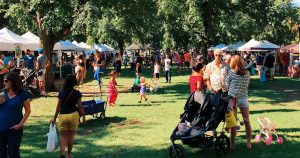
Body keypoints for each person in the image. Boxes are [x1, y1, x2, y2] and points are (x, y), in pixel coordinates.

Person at [50, 75, 86, 158]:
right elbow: (80, 106)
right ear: (74, 83)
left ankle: (62, 153)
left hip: (63, 115)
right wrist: (83, 116)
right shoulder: (77, 93)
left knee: (63, 136)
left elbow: (58, 106)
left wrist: (54, 117)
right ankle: (69, 155)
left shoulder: (61, 92)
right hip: (74, 115)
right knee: (71, 136)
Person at [0, 72, 31, 158]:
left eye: (6, 81)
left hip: (14, 129)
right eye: (3, 81)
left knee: (13, 153)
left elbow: (28, 111)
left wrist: (20, 124)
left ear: (13, 81)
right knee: (1, 154)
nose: (4, 83)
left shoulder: (23, 94)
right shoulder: (2, 93)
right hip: (1, 129)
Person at [225, 55, 251, 150]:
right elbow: (247, 85)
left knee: (233, 123)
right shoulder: (247, 73)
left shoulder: (231, 72)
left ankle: (232, 145)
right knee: (246, 120)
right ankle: (248, 142)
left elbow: (226, 84)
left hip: (232, 98)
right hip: (243, 98)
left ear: (233, 62)